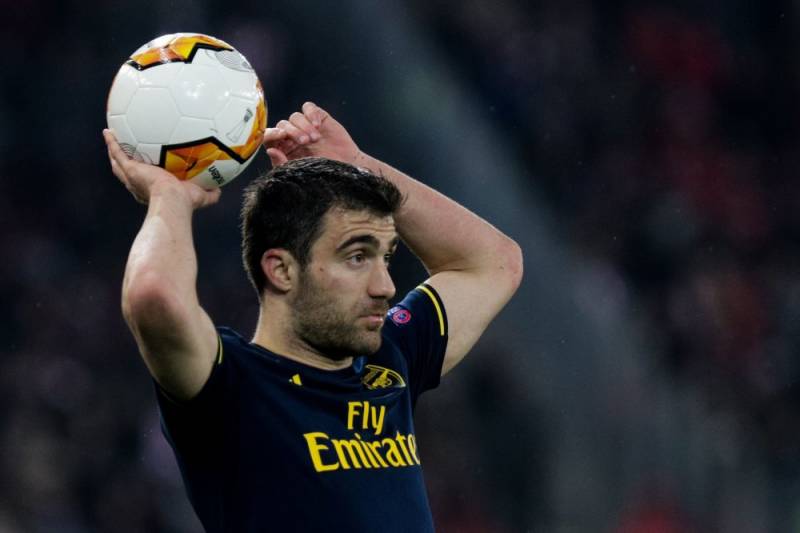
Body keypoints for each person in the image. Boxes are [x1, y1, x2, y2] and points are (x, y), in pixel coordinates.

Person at [103, 101, 523, 532]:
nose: (385, 286)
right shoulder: (231, 385)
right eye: (357, 257)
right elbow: (154, 296)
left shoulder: (386, 361)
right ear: (282, 270)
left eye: (385, 258)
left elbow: (495, 263)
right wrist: (169, 197)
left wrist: (359, 166)